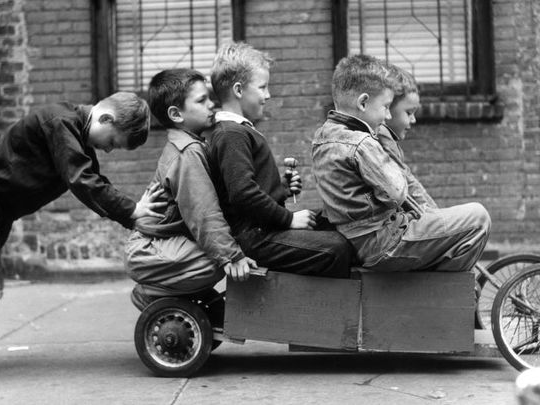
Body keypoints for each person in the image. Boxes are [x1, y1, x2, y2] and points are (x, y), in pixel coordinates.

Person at [0, 92, 165, 349]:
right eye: (113, 141)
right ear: (107, 118)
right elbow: (84, 181)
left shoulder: (77, 140)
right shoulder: (61, 122)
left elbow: (96, 185)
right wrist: (132, 210)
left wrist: (134, 219)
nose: (109, 149)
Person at [311, 54, 491, 272]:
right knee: (478, 216)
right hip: (385, 241)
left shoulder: (322, 136)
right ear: (363, 102)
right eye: (386, 106)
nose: (387, 116)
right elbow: (396, 191)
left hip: (360, 240)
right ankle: (446, 288)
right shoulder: (362, 143)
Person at [205, 42, 352, 278]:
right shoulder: (231, 134)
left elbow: (251, 187)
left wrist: (281, 189)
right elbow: (242, 194)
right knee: (336, 249)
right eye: (262, 87)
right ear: (239, 90)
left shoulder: (237, 131)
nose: (268, 95)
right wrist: (289, 218)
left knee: (333, 219)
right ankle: (317, 312)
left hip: (264, 229)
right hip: (257, 237)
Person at [124, 68, 256, 315]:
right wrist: (232, 257)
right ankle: (152, 293)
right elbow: (203, 213)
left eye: (209, 98)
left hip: (163, 244)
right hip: (151, 250)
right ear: (176, 114)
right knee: (220, 260)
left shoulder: (192, 144)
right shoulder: (187, 153)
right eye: (201, 100)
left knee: (223, 250)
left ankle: (181, 292)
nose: (211, 104)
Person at [376, 63, 437, 211]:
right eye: (409, 113)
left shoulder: (385, 137)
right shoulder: (382, 137)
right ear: (387, 109)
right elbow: (408, 187)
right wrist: (435, 215)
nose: (413, 120)